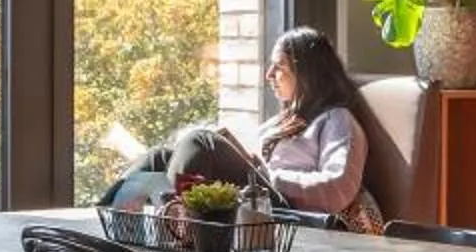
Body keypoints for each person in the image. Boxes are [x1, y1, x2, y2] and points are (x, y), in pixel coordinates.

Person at [109, 27, 381, 226]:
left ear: (307, 73)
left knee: (201, 141)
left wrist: (269, 175)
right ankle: (102, 226)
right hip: (252, 197)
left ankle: (174, 225)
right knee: (159, 157)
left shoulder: (336, 119)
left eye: (279, 67)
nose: (269, 75)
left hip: (287, 213)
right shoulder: (282, 122)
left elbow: (337, 188)